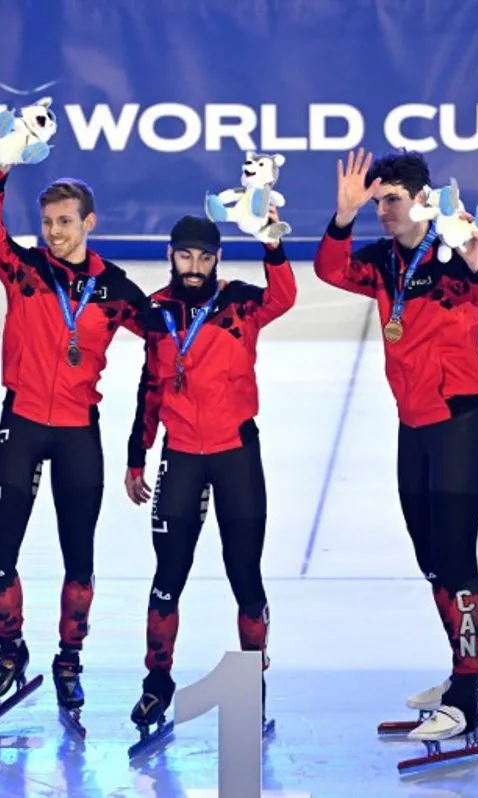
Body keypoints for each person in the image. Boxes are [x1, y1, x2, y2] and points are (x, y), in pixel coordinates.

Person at [312, 149, 478, 742]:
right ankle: (468, 670)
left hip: (460, 423)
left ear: (420, 199)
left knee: (456, 557)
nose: (383, 211)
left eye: (390, 200)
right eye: (377, 202)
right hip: (414, 425)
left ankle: (467, 693)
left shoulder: (449, 254)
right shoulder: (379, 262)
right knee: (430, 560)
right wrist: (342, 219)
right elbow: (327, 270)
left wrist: (475, 261)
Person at [0, 164, 147, 719]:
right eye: (47, 222)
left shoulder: (114, 289)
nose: (54, 232)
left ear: (89, 223)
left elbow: (167, 338)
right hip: (19, 421)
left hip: (77, 430)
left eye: (65, 222)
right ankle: (10, 650)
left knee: (79, 558)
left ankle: (69, 661)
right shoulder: (23, 270)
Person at [123, 212, 297, 733]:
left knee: (245, 576)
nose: (194, 267)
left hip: (235, 454)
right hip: (180, 457)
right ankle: (157, 683)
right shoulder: (157, 312)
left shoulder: (241, 300)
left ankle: (253, 683)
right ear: (171, 256)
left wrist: (272, 245)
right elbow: (150, 385)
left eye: (204, 257)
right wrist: (138, 453)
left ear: (217, 258)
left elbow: (284, 297)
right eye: (185, 256)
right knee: (166, 579)